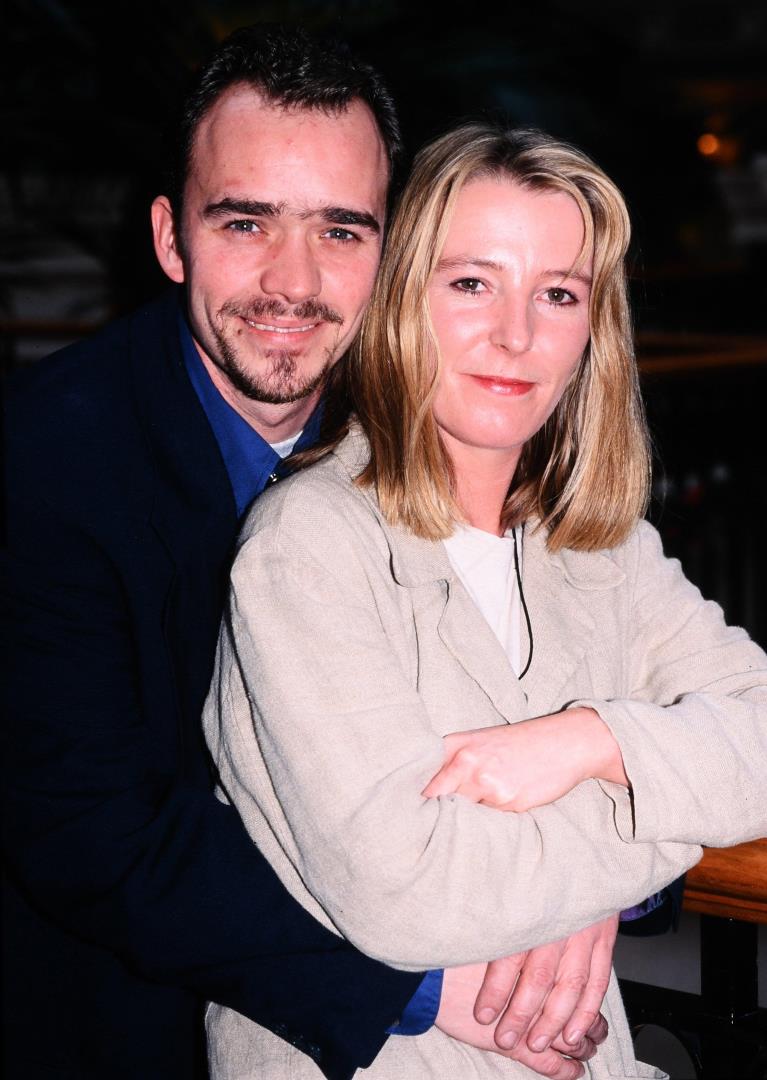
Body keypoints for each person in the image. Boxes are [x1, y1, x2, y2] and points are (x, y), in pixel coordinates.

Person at [2, 25, 618, 1080]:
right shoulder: (47, 463)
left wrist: (591, 888)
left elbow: (594, 679)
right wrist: (423, 989)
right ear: (170, 238)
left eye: (341, 231)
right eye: (246, 222)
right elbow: (92, 834)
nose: (293, 282)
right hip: (132, 1018)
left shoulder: (437, 428)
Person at [202, 122, 767, 1079]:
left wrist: (593, 741)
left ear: (594, 328)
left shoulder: (603, 546)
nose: (516, 333)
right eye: (471, 283)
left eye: (557, 293)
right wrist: (641, 843)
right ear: (399, 300)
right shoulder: (309, 547)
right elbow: (408, 893)